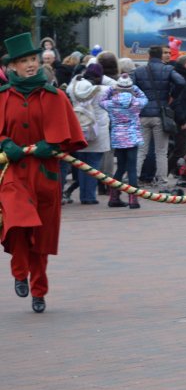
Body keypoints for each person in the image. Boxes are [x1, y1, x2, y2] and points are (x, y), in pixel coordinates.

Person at [0, 33, 87, 313]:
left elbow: (69, 136)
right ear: (12, 66)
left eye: (33, 60)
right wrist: (5, 143)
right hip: (13, 172)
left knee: (41, 236)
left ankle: (39, 290)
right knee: (16, 221)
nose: (30, 65)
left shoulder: (55, 96)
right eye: (23, 61)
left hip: (44, 173)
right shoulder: (3, 97)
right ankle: (19, 271)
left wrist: (52, 145)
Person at [132, 45, 185, 188]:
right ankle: (162, 181)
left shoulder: (139, 70)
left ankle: (134, 178)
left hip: (142, 114)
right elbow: (181, 82)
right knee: (161, 151)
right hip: (160, 114)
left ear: (149, 55)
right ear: (161, 55)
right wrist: (172, 96)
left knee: (141, 150)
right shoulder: (167, 70)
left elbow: (130, 88)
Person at [67, 63, 115, 205]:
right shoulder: (103, 90)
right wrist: (102, 77)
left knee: (82, 166)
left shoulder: (73, 87)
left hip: (80, 130)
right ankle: (89, 197)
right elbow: (117, 84)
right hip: (97, 132)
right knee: (94, 166)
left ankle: (84, 196)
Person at [99, 73, 147, 209]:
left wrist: (112, 88)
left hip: (118, 138)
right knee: (131, 168)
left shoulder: (111, 103)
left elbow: (100, 100)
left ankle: (114, 196)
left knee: (120, 167)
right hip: (132, 137)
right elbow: (145, 98)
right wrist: (134, 88)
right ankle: (133, 199)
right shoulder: (136, 103)